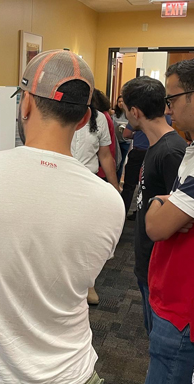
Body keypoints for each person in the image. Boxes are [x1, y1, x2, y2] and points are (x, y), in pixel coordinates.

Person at [0, 50, 125, 384]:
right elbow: (84, 271)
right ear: (83, 119)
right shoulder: (110, 202)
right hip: (67, 381)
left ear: (25, 106)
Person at [141, 55, 194, 384]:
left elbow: (156, 225)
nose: (167, 109)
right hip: (171, 300)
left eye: (172, 99)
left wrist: (163, 207)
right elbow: (164, 209)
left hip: (185, 313)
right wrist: (165, 204)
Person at [116, 76, 186, 384]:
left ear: (134, 111)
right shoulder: (158, 147)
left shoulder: (171, 151)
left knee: (163, 343)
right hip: (147, 263)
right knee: (153, 339)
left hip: (162, 269)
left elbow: (182, 219)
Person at [72, 89, 121, 305]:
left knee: (85, 234)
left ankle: (88, 282)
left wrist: (114, 186)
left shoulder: (99, 118)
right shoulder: (58, 113)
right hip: (59, 179)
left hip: (87, 183)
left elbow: (104, 155)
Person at [112, 95, 130, 182]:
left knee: (121, 163)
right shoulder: (114, 114)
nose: (121, 103)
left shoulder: (129, 114)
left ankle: (117, 181)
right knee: (114, 162)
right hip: (115, 141)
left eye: (123, 101)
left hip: (125, 142)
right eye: (119, 101)